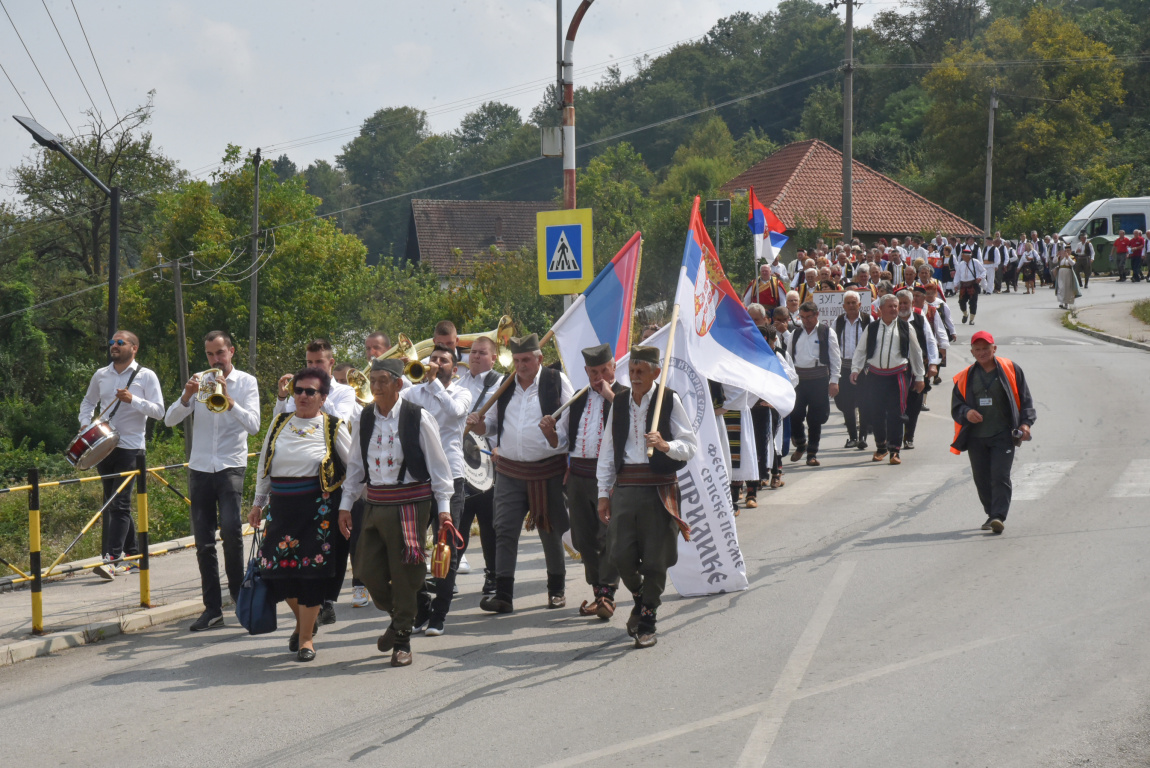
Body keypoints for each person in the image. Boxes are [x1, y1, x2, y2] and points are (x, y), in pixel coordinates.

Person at [339, 358, 454, 667]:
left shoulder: (418, 417)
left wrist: (444, 510)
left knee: (405, 574)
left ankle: (402, 639)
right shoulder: (365, 417)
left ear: (398, 384)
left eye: (381, 382)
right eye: (372, 381)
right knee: (366, 570)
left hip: (410, 504)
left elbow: (440, 468)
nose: (375, 387)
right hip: (375, 503)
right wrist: (345, 506)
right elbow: (355, 467)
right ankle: (402, 617)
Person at [596, 346, 698, 648]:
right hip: (626, 487)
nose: (635, 376)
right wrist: (603, 493)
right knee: (619, 554)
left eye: (642, 371)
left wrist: (666, 446)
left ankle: (648, 618)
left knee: (656, 559)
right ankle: (642, 599)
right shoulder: (622, 401)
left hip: (658, 488)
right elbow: (607, 450)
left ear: (656, 371)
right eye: (632, 370)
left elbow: (689, 446)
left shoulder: (668, 399)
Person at [248, 367, 351, 662]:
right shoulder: (280, 422)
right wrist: (258, 503)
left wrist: (350, 507)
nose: (302, 396)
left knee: (312, 575)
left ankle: (306, 638)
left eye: (310, 392)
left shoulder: (332, 426)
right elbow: (264, 465)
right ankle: (307, 621)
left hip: (318, 510)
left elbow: (354, 467)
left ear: (323, 398)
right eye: (298, 390)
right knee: (275, 574)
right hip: (281, 509)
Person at [466, 334, 575, 613]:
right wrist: (477, 424)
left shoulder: (554, 381)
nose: (521, 365)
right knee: (503, 529)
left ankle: (556, 590)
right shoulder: (505, 385)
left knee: (549, 531)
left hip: (547, 470)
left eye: (526, 359)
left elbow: (570, 425)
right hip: (511, 471)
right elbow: (490, 426)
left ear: (538, 358)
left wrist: (555, 439)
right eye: (516, 360)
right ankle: (503, 594)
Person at [163, 331, 260, 631]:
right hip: (201, 466)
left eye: (220, 353)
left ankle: (239, 601)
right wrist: (187, 396)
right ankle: (213, 609)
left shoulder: (246, 382)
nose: (215, 359)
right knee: (203, 541)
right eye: (210, 354)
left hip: (231, 465)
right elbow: (169, 420)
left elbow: (255, 426)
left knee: (231, 531)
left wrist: (231, 402)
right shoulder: (200, 380)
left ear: (231, 351)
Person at [543, 343, 624, 619]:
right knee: (581, 537)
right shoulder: (576, 399)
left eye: (604, 370)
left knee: (609, 535)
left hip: (610, 476)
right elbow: (563, 441)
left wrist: (610, 395)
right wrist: (550, 433)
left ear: (614, 368)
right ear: (587, 372)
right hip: (578, 474)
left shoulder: (625, 396)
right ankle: (598, 590)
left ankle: (607, 593)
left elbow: (635, 422)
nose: (599, 376)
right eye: (593, 371)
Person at [80, 331, 165, 580]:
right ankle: (134, 553)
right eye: (111, 343)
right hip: (103, 447)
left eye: (120, 343)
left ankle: (112, 559)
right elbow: (87, 402)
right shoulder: (101, 374)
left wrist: (133, 400)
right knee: (113, 502)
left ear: (134, 348)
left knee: (119, 503)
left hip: (132, 448)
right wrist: (86, 424)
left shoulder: (146, 376)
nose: (114, 346)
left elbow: (159, 411)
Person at [401, 344, 472, 636]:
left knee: (446, 544)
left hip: (451, 477)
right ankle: (422, 608)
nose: (436, 363)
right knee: (411, 546)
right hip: (417, 477)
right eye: (433, 359)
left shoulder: (461, 392)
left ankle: (440, 613)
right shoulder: (412, 393)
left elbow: (455, 414)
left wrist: (433, 384)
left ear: (453, 369)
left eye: (443, 360)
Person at [950, 331, 1036, 535]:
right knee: (981, 478)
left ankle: (998, 515)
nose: (982, 353)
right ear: (972, 352)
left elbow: (1025, 400)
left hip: (1003, 435)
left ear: (994, 349)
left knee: (1000, 475)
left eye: (986, 349)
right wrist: (967, 412)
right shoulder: (965, 377)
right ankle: (991, 513)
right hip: (975, 438)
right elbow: (956, 407)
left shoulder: (1011, 369)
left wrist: (1025, 424)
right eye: (977, 349)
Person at [850, 294, 925, 465]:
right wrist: (856, 369)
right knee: (876, 412)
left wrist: (920, 377)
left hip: (898, 376)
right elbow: (861, 350)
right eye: (890, 306)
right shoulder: (872, 328)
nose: (894, 309)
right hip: (875, 376)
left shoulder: (906, 327)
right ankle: (881, 447)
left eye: (896, 306)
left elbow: (916, 353)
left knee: (897, 413)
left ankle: (895, 450)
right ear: (880, 309)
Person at [454, 335, 503, 596]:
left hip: (488, 462)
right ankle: (447, 578)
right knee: (459, 520)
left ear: (494, 357)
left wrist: (501, 446)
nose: (475, 356)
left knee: (489, 523)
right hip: (462, 462)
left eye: (482, 353)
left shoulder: (502, 384)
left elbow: (506, 422)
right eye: (473, 352)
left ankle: (493, 576)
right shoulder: (458, 383)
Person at [788, 301, 840, 467]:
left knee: (815, 419)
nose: (806, 320)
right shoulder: (795, 334)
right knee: (795, 415)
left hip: (819, 380)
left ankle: (812, 453)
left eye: (809, 317)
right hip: (798, 380)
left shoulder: (826, 332)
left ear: (817, 315)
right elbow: (788, 359)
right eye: (802, 317)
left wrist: (834, 381)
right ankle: (801, 442)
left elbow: (835, 358)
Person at [275, 338, 358, 423]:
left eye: (319, 361)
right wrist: (282, 397)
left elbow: (341, 422)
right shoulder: (300, 388)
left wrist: (319, 391)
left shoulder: (346, 391)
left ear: (331, 362)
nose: (314, 366)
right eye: (310, 362)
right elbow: (280, 423)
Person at [898, 289, 940, 450]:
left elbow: (930, 342)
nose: (902, 306)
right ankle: (895, 436)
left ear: (911, 304)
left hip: (916, 369)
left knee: (914, 405)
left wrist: (933, 364)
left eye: (905, 303)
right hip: (896, 369)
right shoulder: (890, 320)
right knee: (895, 405)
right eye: (900, 303)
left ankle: (909, 437)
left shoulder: (920, 319)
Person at [834, 291, 870, 451]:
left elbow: (873, 344)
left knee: (864, 403)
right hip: (844, 367)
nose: (851, 306)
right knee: (846, 404)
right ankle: (852, 437)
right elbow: (833, 344)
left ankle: (862, 437)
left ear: (860, 304)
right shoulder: (838, 321)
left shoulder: (869, 320)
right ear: (843, 306)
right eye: (848, 303)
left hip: (863, 368)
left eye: (854, 302)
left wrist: (869, 366)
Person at [953, 247, 986, 325]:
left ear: (968, 256)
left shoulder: (976, 262)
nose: (962, 257)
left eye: (963, 255)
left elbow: (984, 271)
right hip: (963, 285)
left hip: (973, 284)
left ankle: (971, 320)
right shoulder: (961, 264)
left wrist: (980, 278)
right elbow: (957, 275)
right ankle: (965, 314)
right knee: (961, 302)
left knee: (973, 302)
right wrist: (955, 284)